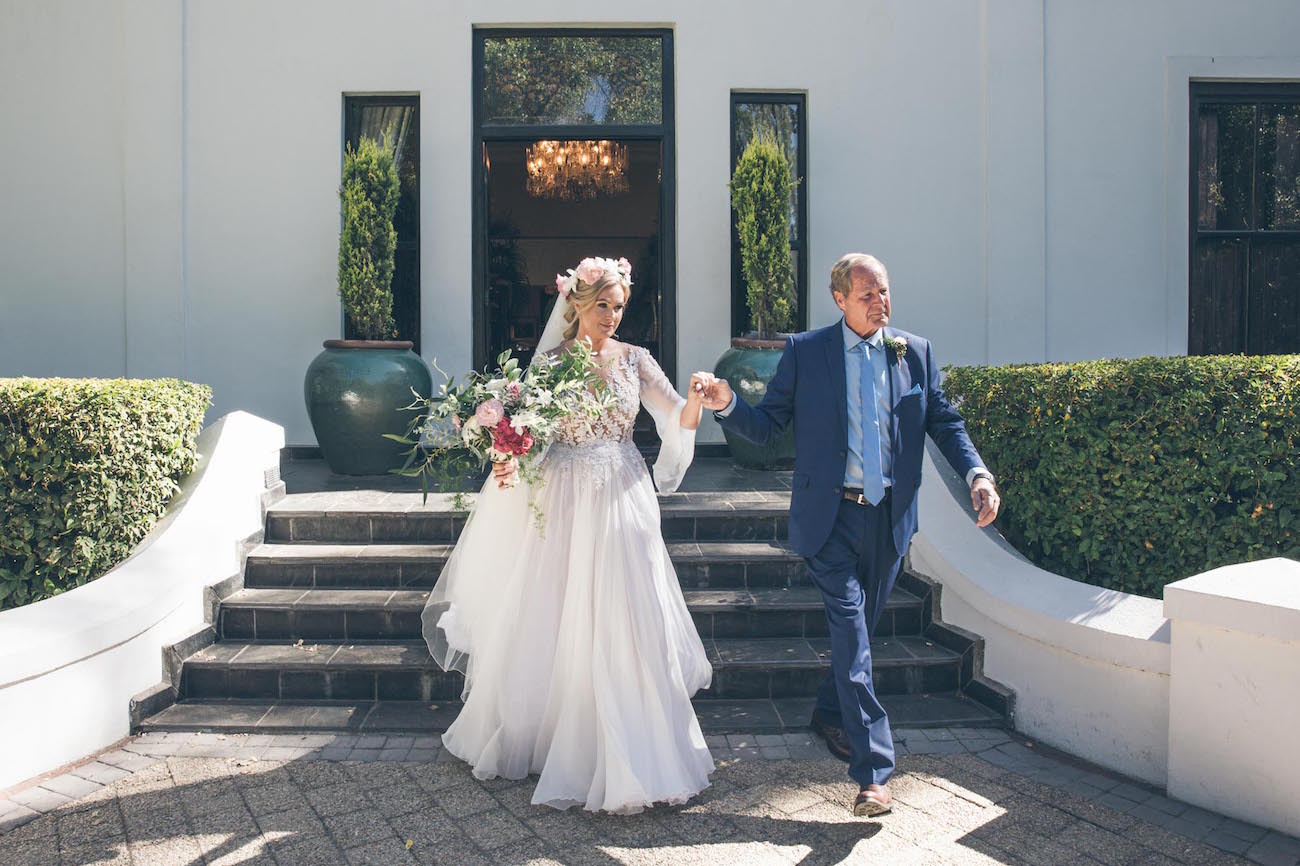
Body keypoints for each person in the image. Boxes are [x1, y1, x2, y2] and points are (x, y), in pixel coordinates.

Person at [695, 253, 1000, 818]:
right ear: (839, 299)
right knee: (854, 639)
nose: (880, 303)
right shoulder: (807, 353)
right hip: (830, 519)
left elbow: (945, 420)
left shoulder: (915, 351)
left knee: (860, 633)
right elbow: (767, 429)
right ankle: (874, 774)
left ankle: (828, 712)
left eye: (885, 292)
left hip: (889, 520)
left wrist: (978, 474)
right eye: (867, 295)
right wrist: (729, 404)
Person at [421, 256, 715, 814]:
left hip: (622, 495)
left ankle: (632, 743)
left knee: (626, 612)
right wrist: (504, 456)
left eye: (619, 307)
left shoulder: (636, 361)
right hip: (561, 495)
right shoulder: (551, 364)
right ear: (577, 305)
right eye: (602, 304)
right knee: (555, 611)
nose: (611, 316)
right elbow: (524, 431)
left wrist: (699, 398)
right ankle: (554, 740)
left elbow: (675, 416)